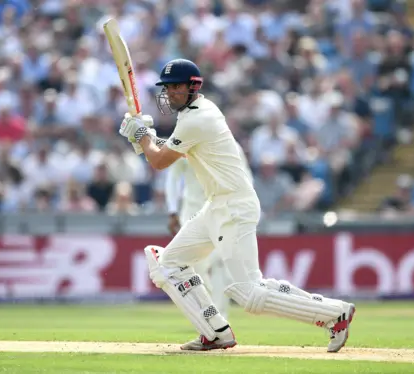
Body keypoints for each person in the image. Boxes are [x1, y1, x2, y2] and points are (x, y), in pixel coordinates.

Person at [118, 58, 355, 352]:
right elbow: (167, 152)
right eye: (167, 88)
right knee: (168, 265)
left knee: (248, 292)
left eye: (176, 87)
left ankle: (335, 314)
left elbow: (159, 161)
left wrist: (141, 136)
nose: (170, 93)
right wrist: (146, 138)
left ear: (193, 87)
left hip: (233, 207)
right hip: (216, 206)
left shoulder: (197, 118)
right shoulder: (195, 113)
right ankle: (215, 331)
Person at [165, 140, 251, 319]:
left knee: (220, 264)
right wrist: (172, 210)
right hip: (192, 213)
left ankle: (220, 317)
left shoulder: (232, 146)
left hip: (222, 212)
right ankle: (208, 314)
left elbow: (246, 178)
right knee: (196, 268)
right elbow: (173, 177)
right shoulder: (186, 142)